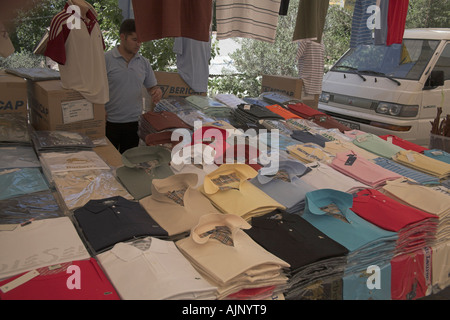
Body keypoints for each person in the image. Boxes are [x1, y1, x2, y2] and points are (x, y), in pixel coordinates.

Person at [104, 19, 163, 153]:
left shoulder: (143, 63)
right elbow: (95, 89)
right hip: (110, 122)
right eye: (134, 39)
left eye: (140, 41)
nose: (138, 44)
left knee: (129, 162)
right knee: (109, 163)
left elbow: (152, 86)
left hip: (134, 122)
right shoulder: (106, 60)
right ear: (122, 37)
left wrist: (156, 91)